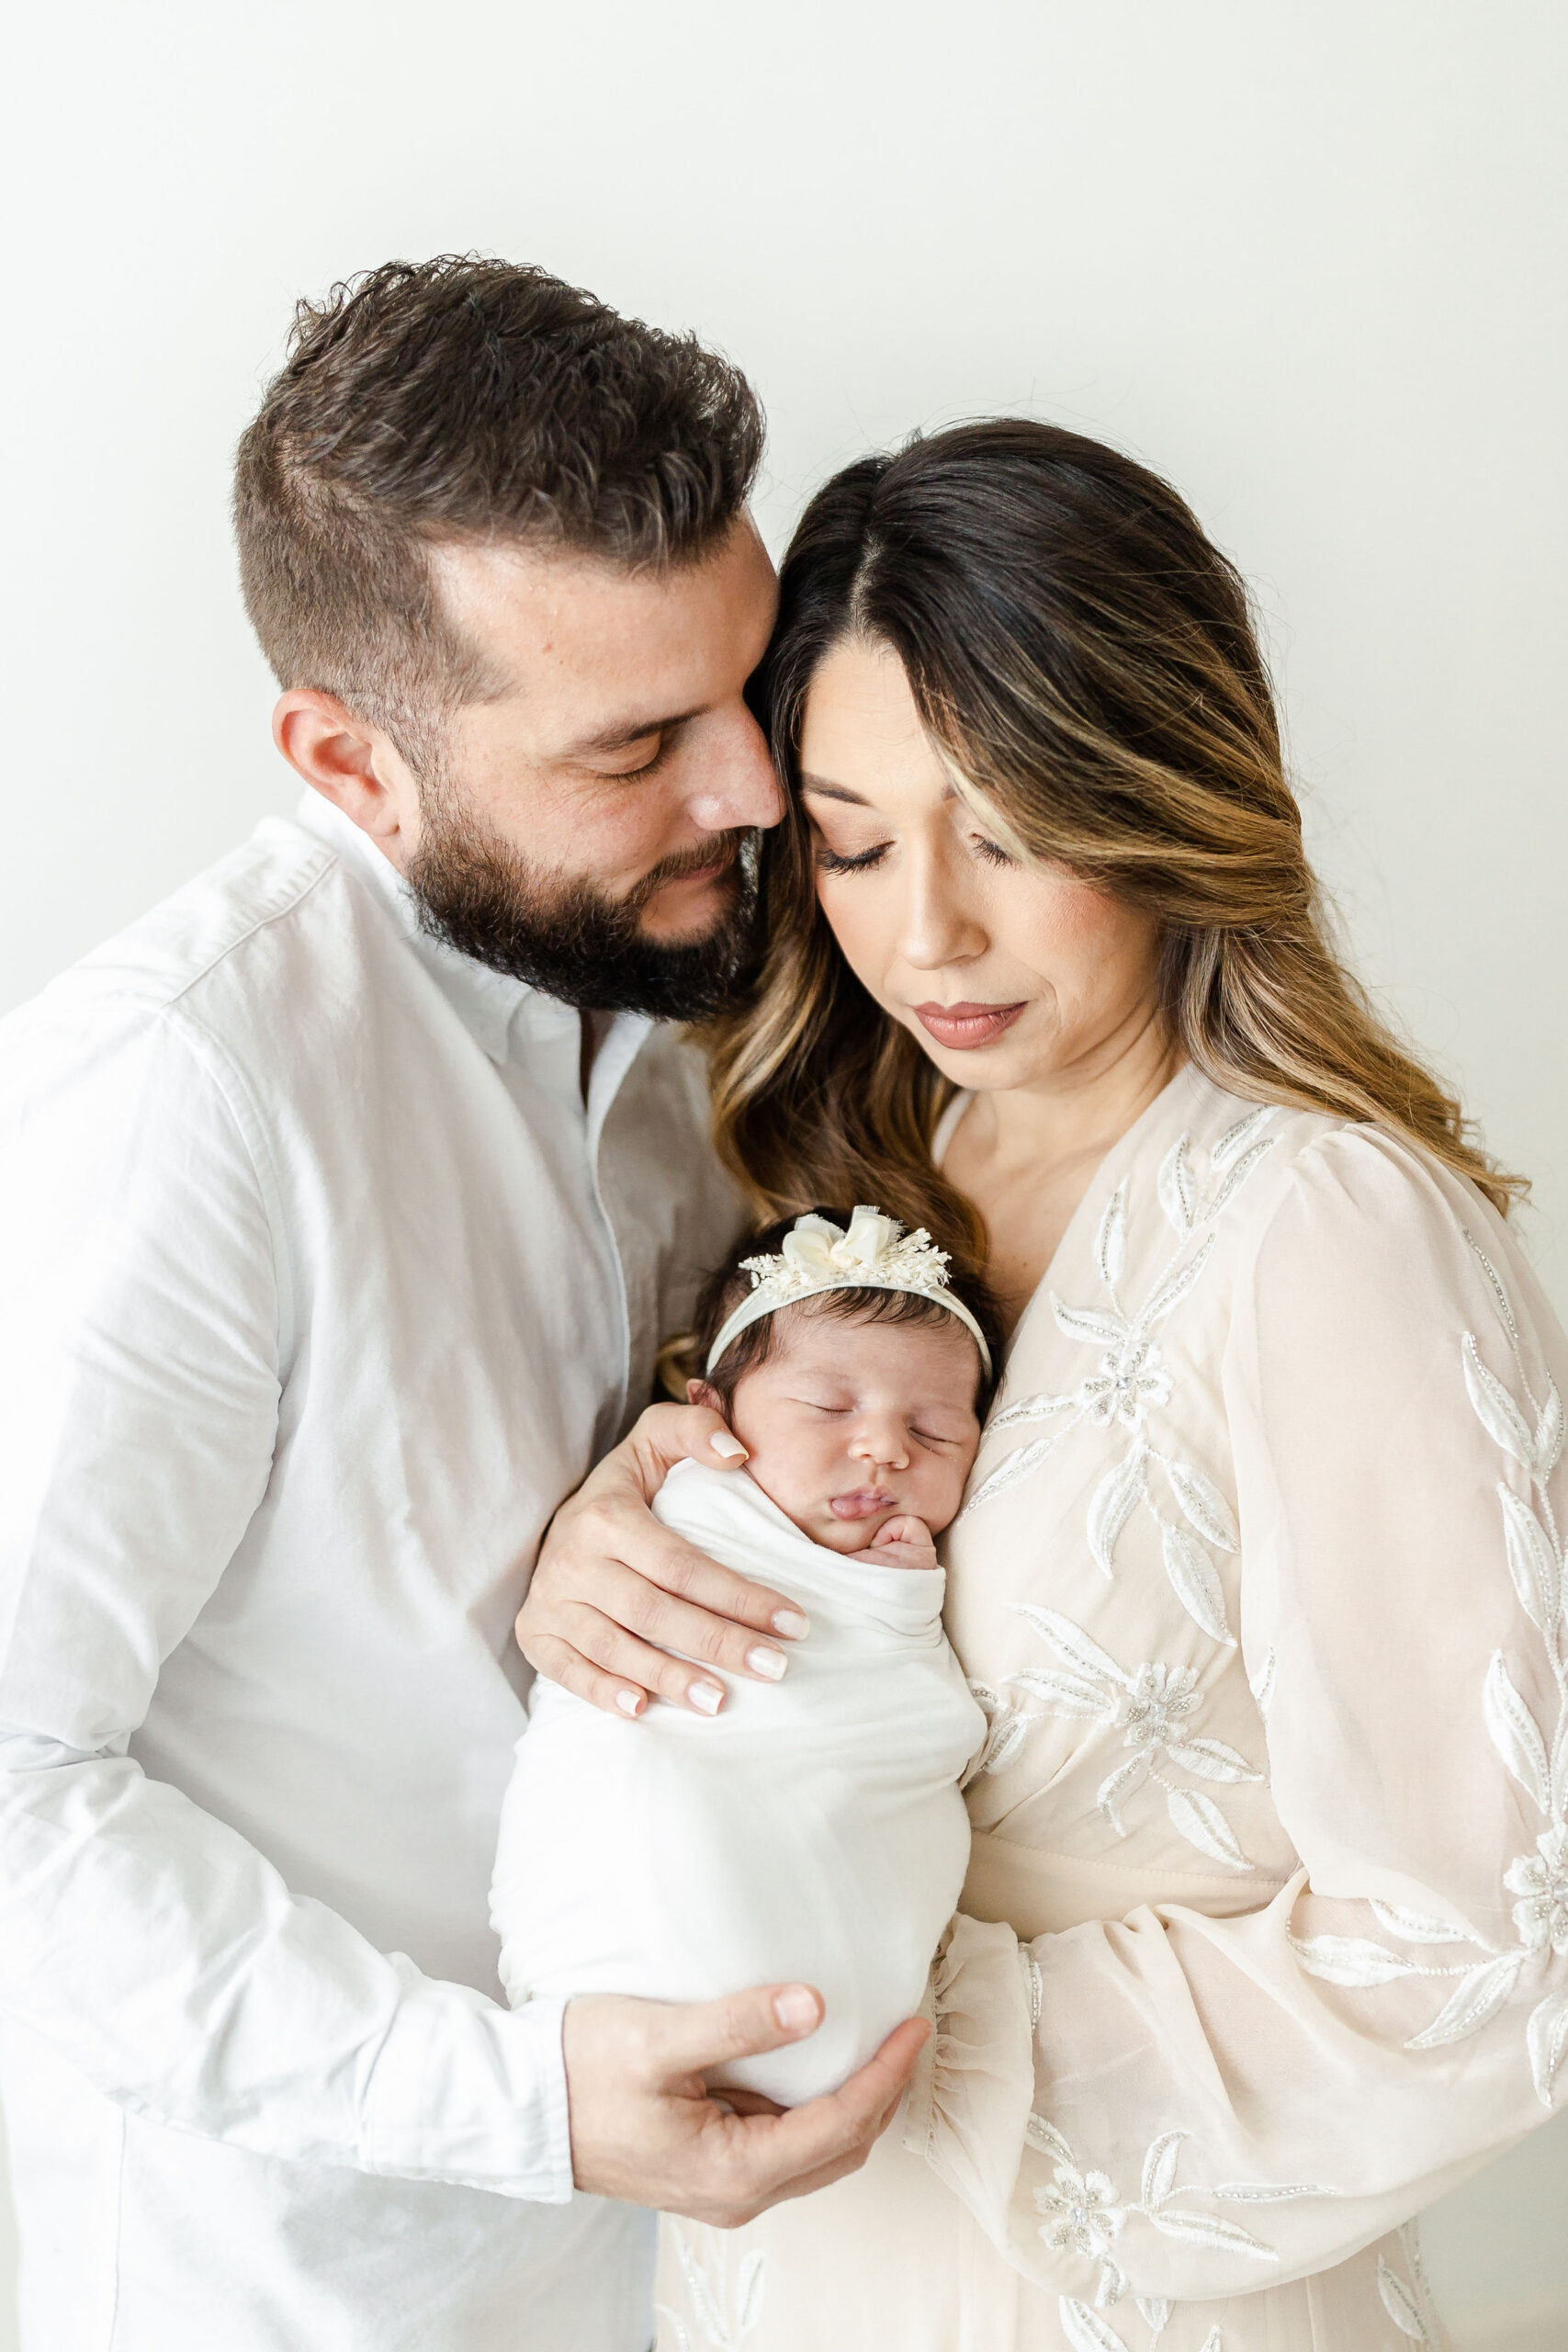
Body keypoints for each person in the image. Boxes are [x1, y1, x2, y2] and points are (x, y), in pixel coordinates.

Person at [518, 420, 1568, 2350]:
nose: (927, 931)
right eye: (848, 838)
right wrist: (606, 1549)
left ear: (1157, 791)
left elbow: (1492, 1951)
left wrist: (895, 2035)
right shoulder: (813, 1181)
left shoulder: (1321, 1231)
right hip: (765, 2279)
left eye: (1009, 830)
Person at [0, 257, 926, 2352]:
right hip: (309, 2283)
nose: (755, 794)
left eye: (740, 688)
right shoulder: (176, 1100)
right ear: (347, 759)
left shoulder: (708, 989)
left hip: (704, 2278)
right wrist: (517, 2100)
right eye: (634, 744)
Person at [491, 1205, 997, 2108]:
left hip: (820, 1918)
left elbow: (910, 1721)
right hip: (645, 1820)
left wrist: (897, 1601)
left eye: (935, 1434)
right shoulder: (688, 1510)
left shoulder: (912, 1556)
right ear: (710, 1417)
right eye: (827, 1407)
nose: (884, 1447)